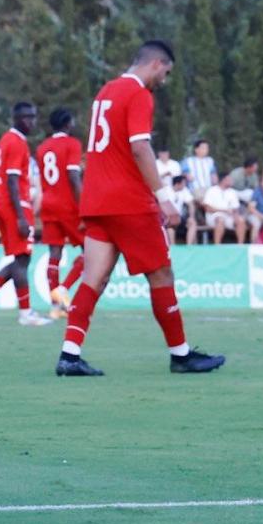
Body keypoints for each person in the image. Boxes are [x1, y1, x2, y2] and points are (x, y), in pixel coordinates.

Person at [54, 41, 225, 378]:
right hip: (129, 201)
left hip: (97, 200)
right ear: (157, 64)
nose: (164, 80)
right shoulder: (139, 95)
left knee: (94, 277)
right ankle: (180, 355)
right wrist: (163, 196)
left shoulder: (106, 91)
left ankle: (69, 355)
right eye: (167, 72)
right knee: (161, 273)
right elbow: (139, 147)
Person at [0, 103, 51, 325]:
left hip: (5, 204)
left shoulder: (8, 140)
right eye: (27, 117)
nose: (31, 122)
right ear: (16, 118)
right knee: (22, 259)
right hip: (14, 205)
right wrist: (19, 215)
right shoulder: (16, 142)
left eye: (34, 117)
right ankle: (25, 313)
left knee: (21, 259)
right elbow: (12, 180)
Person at [36, 107, 86, 319]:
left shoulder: (42, 147)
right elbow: (73, 177)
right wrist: (84, 205)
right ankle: (63, 289)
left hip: (48, 204)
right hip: (68, 206)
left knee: (54, 255)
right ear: (67, 124)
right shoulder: (72, 144)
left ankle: (56, 306)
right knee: (91, 252)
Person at [201, 173, 247, 244]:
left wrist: (236, 216)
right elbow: (207, 208)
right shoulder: (212, 190)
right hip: (213, 216)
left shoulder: (232, 192)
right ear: (223, 180)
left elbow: (235, 208)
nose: (231, 181)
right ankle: (217, 246)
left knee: (241, 221)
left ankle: (240, 246)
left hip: (229, 216)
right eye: (229, 179)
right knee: (220, 220)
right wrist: (224, 210)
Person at [168, 174, 196, 243]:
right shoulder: (166, 190)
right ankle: (173, 246)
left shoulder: (185, 190)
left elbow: (191, 205)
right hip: (168, 217)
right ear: (178, 184)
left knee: (192, 223)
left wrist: (191, 217)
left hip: (179, 217)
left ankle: (189, 246)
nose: (185, 185)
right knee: (170, 226)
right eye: (184, 183)